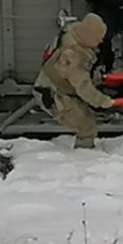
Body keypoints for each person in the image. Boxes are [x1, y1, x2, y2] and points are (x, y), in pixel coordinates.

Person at [34, 13, 116, 149]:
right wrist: (102, 101)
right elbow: (83, 87)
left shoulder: (74, 33)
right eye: (98, 38)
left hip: (61, 86)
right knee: (86, 126)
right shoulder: (73, 57)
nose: (100, 42)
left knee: (87, 115)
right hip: (54, 95)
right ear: (88, 36)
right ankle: (82, 159)